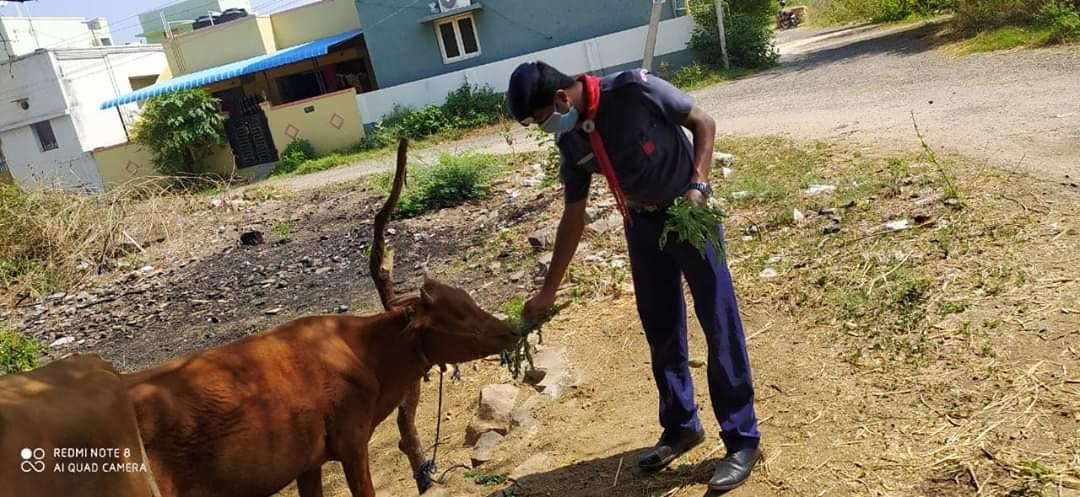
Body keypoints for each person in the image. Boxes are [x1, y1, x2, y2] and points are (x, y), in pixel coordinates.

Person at [506, 61, 761, 491]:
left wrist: (699, 185)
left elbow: (703, 122)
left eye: (541, 119)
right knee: (660, 328)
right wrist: (548, 290)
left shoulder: (633, 90)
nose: (544, 128)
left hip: (688, 214)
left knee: (719, 323)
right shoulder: (571, 140)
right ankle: (681, 426)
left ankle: (741, 439)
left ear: (561, 98)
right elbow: (573, 216)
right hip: (641, 225)